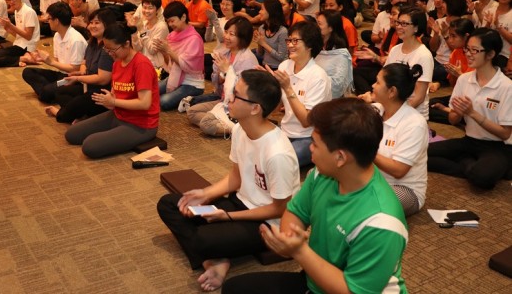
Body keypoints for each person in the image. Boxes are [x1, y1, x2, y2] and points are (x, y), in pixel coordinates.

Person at [222, 98, 408, 294]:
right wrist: (288, 239)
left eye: (315, 144)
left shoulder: (382, 222)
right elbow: (295, 213)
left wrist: (299, 251)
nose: (310, 148)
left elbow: (352, 291)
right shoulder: (323, 174)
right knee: (235, 289)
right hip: (316, 281)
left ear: (340, 157)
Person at [157, 70, 300, 292]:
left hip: (266, 223)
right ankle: (213, 261)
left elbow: (279, 209)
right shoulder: (242, 129)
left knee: (203, 239)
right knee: (170, 204)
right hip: (238, 202)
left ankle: (215, 257)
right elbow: (236, 176)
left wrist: (228, 216)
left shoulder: (277, 153)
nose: (229, 99)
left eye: (236, 95)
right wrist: (206, 194)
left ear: (255, 108)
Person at [427, 28, 512, 189]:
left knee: (482, 179)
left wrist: (472, 113)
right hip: (470, 141)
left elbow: (505, 133)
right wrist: (458, 112)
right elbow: (453, 120)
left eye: (475, 50)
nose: (468, 54)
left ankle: (469, 162)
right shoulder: (464, 79)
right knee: (419, 155)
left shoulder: (506, 87)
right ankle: (467, 162)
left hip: (498, 146)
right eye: (467, 49)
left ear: (490, 54)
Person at [64, 22, 159, 158]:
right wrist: (109, 100)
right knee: (72, 134)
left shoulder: (141, 65)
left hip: (141, 124)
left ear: (126, 44)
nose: (110, 54)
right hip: (119, 115)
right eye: (106, 50)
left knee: (90, 146)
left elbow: (144, 103)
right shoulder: (117, 62)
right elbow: (116, 92)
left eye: (112, 50)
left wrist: (113, 101)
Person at [359, 64, 429, 216]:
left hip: (404, 188)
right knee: (323, 176)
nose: (372, 85)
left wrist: (366, 149)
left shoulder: (414, 124)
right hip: (372, 178)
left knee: (364, 203)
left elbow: (399, 170)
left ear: (392, 92)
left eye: (378, 82)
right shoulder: (376, 110)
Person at [269, 21, 331, 167]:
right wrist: (267, 85)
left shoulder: (318, 76)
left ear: (309, 45)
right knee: (259, 150)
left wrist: (288, 89)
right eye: (289, 40)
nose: (289, 45)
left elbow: (306, 121)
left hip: (309, 137)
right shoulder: (285, 66)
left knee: (280, 162)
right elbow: (276, 106)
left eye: (295, 41)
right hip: (285, 131)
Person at [187, 17, 258, 137]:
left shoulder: (247, 59)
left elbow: (242, 92)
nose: (226, 36)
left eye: (232, 34)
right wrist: (220, 76)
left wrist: (227, 72)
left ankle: (236, 128)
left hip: (239, 105)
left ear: (242, 37)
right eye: (226, 32)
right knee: (192, 112)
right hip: (223, 101)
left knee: (206, 125)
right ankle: (229, 123)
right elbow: (216, 86)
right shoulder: (225, 53)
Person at [45, 8, 116, 123]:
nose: (92, 26)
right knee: (59, 92)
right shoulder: (92, 43)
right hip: (87, 86)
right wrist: (82, 72)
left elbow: (103, 79)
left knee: (65, 114)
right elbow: (84, 62)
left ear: (107, 25)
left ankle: (60, 112)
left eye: (97, 23)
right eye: (91, 23)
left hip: (101, 93)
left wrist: (78, 78)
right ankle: (83, 114)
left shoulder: (107, 48)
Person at [21, 2, 87, 103]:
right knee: (27, 72)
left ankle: (50, 92)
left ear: (56, 21)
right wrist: (42, 58)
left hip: (72, 78)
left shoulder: (76, 39)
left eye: (49, 19)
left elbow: (76, 68)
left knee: (46, 92)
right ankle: (52, 91)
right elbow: (57, 61)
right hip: (60, 74)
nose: (48, 21)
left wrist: (51, 62)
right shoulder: (57, 35)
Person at [154, 2, 205, 111]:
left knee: (163, 102)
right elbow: (170, 65)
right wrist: (163, 51)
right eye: (168, 22)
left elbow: (187, 66)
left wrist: (167, 50)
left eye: (172, 21)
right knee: (149, 91)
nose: (170, 24)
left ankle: (193, 96)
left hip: (191, 83)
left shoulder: (194, 39)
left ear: (183, 17)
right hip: (174, 77)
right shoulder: (173, 35)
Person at [429, 18, 474, 124]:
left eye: (454, 36)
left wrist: (460, 75)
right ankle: (456, 115)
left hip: (473, 99)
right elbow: (453, 86)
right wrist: (454, 75)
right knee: (430, 104)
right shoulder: (456, 52)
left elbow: (476, 88)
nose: (450, 40)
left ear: (466, 36)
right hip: (459, 96)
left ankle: (458, 115)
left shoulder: (475, 54)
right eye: (449, 36)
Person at [314, 10, 353, 98]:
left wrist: (315, 79)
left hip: (329, 98)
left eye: (319, 24)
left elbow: (338, 85)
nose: (315, 27)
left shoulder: (341, 54)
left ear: (330, 28)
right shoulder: (314, 43)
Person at [253, 0, 288, 70]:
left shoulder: (283, 31)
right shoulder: (262, 28)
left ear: (271, 11)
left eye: (262, 9)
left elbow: (281, 57)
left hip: (279, 68)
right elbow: (260, 54)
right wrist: (259, 42)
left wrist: (263, 44)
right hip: (265, 65)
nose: (259, 12)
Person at [483, 0, 512, 66]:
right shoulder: (490, 11)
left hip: (505, 55)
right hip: (489, 51)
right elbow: (483, 35)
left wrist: (498, 26)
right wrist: (488, 24)